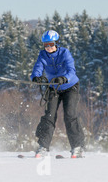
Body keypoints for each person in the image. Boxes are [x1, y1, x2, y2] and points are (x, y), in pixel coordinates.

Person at [30, 30, 85, 158]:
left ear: (56, 43)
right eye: (46, 45)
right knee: (49, 116)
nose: (48, 47)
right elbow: (37, 67)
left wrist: (64, 78)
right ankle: (43, 146)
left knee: (70, 115)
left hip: (70, 86)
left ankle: (77, 147)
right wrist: (36, 77)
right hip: (53, 88)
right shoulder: (42, 55)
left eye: (51, 44)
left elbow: (71, 70)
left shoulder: (65, 53)